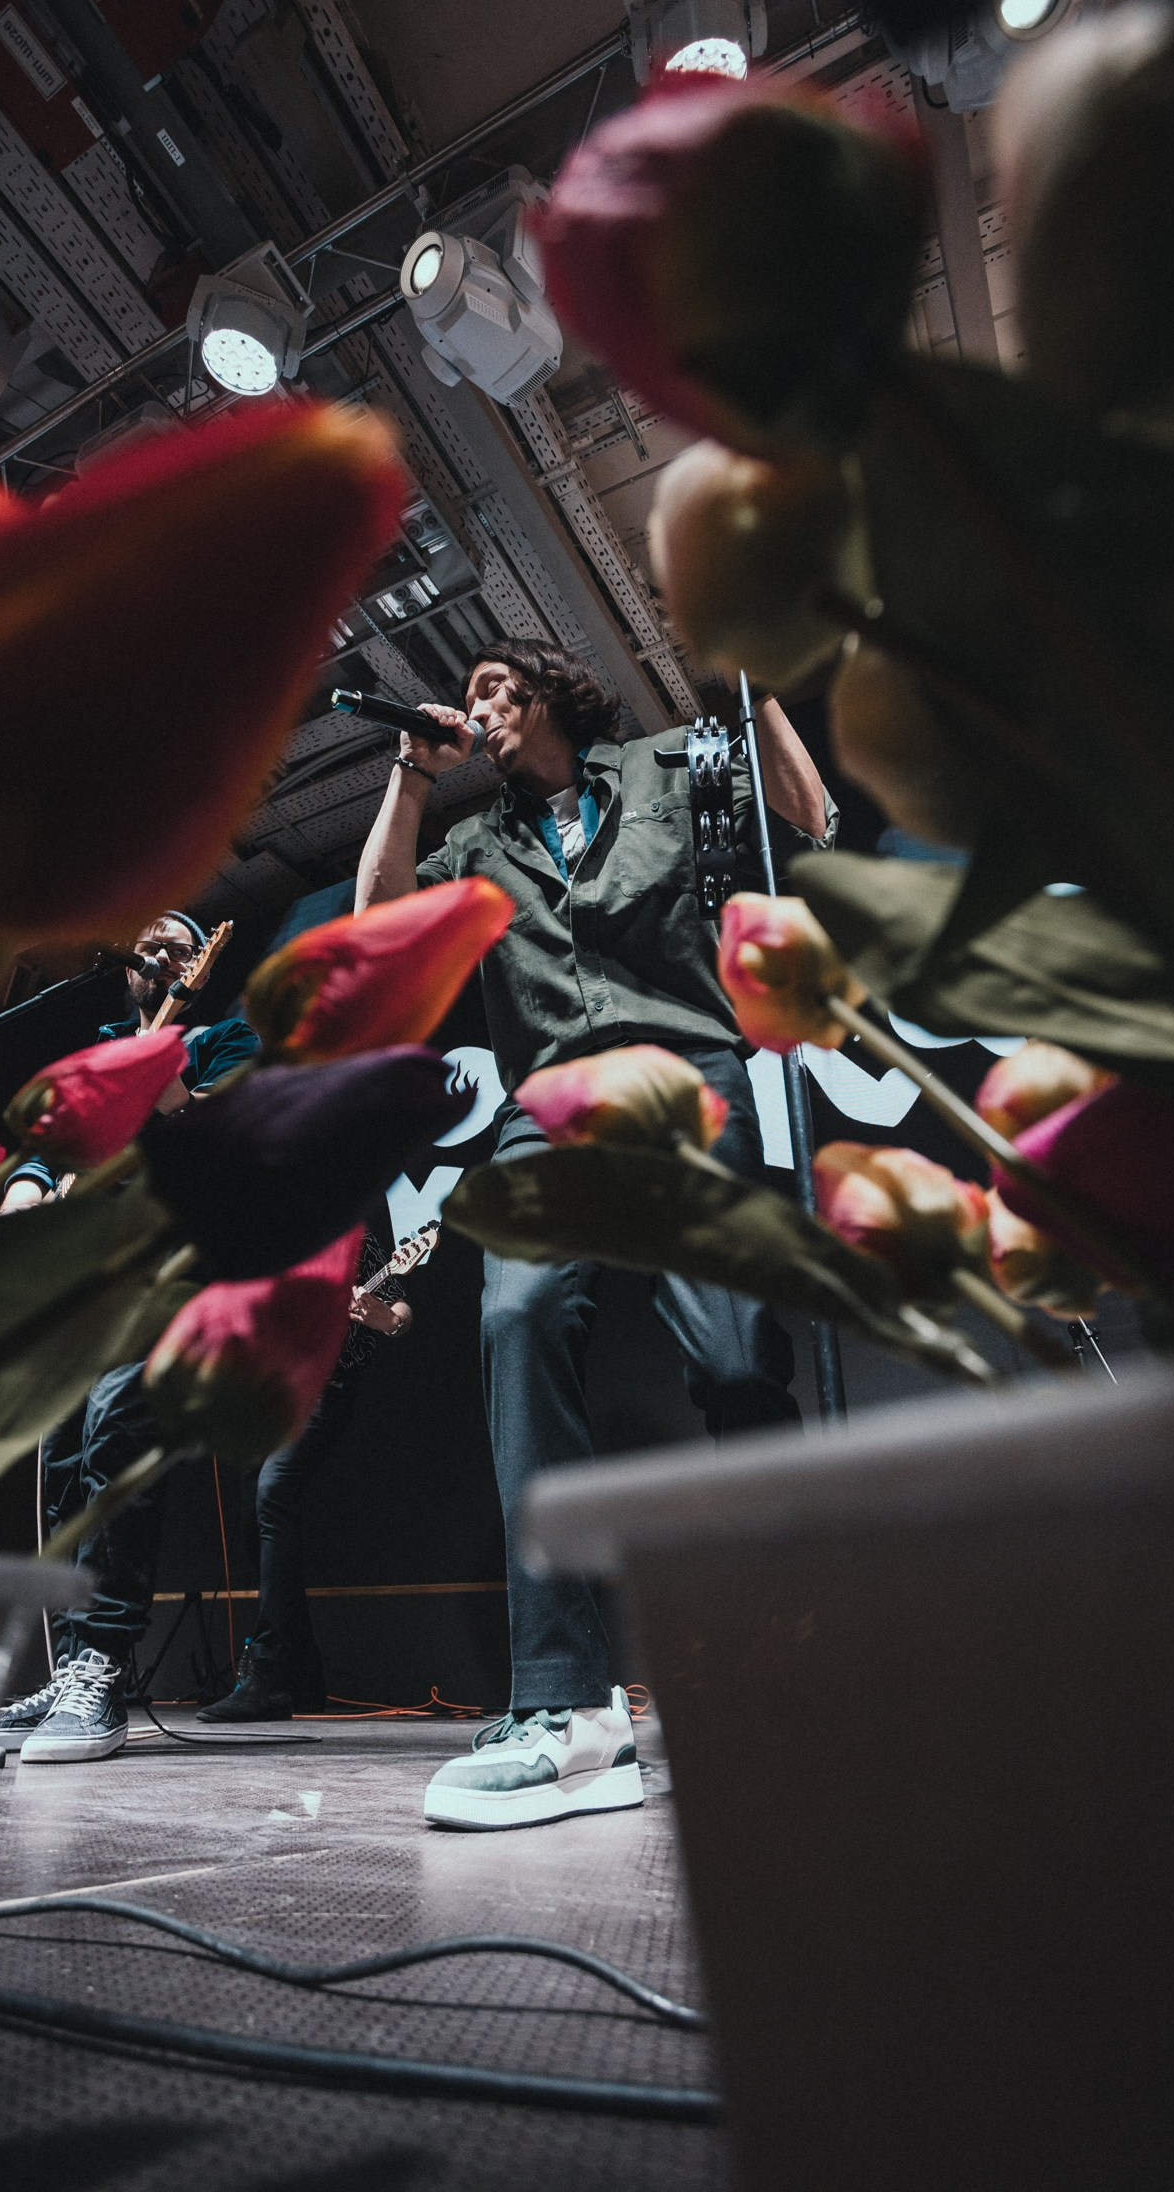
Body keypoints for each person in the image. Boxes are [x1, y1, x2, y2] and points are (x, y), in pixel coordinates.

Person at [355, 640, 837, 1831]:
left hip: (683, 1076)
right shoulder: (476, 846)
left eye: (495, 685)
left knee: (737, 1361)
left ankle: (785, 1654)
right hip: (548, 1109)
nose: (478, 703)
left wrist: (757, 684)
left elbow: (809, 817)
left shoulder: (668, 762)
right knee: (518, 1319)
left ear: (548, 692)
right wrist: (411, 774)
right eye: (469, 694)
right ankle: (570, 1708)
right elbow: (375, 930)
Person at [0, 912, 261, 1763]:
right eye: (148, 943)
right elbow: (51, 1149)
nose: (159, 952)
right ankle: (74, 1666)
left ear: (199, 964)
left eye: (178, 944)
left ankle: (103, 1664)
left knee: (116, 1430)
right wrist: (28, 1189)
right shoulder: (97, 1047)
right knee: (66, 1464)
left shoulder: (224, 1039)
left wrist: (164, 1072)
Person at [196, 1229, 412, 1723]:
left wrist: (385, 1318)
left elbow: (401, 1308)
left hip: (325, 1388)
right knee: (253, 1518)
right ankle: (303, 1676)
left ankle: (269, 1673)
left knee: (273, 1494)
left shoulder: (351, 1236)